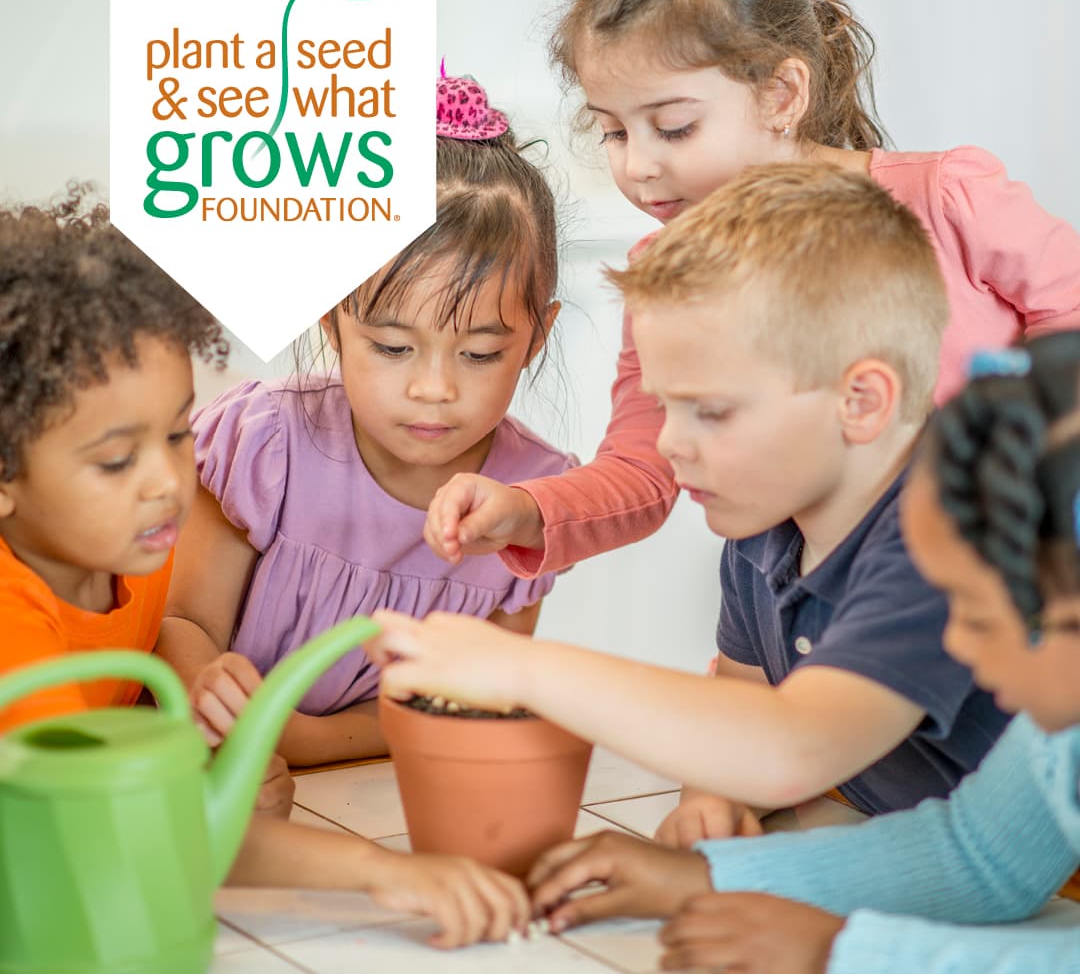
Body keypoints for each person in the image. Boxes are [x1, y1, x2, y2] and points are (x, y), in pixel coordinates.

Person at [424, 0, 1080, 615]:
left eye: (673, 127)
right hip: (819, 618)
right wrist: (525, 509)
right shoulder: (667, 278)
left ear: (781, 93)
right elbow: (645, 468)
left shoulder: (947, 200)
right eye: (613, 132)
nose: (638, 166)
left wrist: (1006, 458)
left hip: (1000, 606)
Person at [369, 164, 1009, 833]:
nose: (671, 444)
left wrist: (519, 669)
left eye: (711, 411)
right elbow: (745, 694)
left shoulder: (946, 533)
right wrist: (714, 798)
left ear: (861, 402)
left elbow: (795, 743)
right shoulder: (765, 529)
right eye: (668, 408)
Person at [0, 192, 532, 949]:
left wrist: (215, 764)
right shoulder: (13, 624)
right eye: (117, 460)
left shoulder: (134, 561)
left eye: (180, 433)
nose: (166, 483)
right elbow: (112, 834)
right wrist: (387, 874)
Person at [526, 331, 1080, 974]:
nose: (955, 643)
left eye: (979, 619)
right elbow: (981, 856)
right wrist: (709, 877)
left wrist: (846, 952)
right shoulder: (1054, 735)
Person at [155, 72, 576, 767]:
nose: (433, 388)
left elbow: (471, 698)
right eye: (390, 347)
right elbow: (181, 623)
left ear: (536, 337)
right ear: (332, 321)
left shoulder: (534, 501)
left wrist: (302, 741)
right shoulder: (268, 444)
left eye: (478, 352)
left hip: (369, 790)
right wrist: (205, 685)